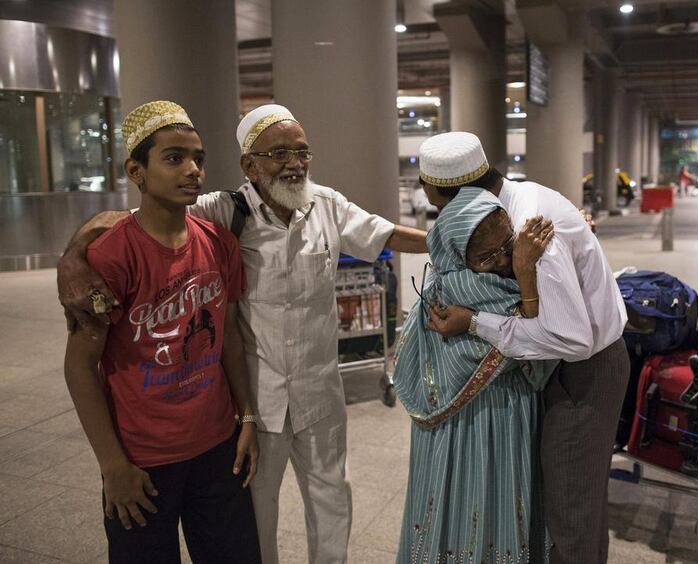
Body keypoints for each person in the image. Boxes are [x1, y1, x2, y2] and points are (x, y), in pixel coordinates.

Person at [57, 103, 428, 564]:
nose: (295, 163)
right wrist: (72, 255)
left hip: (319, 393)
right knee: (257, 512)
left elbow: (384, 234)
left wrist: (449, 240)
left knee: (333, 500)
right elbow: (130, 218)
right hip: (259, 396)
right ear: (249, 165)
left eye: (302, 151)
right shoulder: (221, 212)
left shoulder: (327, 205)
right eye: (279, 154)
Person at [63, 101, 261, 563]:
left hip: (217, 450)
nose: (193, 170)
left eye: (198, 158)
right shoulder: (111, 256)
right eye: (174, 158)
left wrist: (245, 417)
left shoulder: (218, 243)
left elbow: (229, 336)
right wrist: (113, 466)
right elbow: (79, 366)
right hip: (142, 461)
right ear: (137, 170)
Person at [418, 131, 629, 564]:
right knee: (573, 500)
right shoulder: (514, 201)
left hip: (582, 374)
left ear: (457, 195)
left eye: (442, 205)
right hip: (562, 370)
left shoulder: (530, 230)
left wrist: (475, 321)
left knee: (571, 508)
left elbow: (572, 339)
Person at [393, 186, 557, 563]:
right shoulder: (455, 289)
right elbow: (533, 343)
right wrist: (525, 275)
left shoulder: (492, 273)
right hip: (480, 420)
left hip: (503, 415)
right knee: (461, 495)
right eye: (486, 256)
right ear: (457, 254)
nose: (502, 260)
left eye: (507, 244)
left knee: (493, 495)